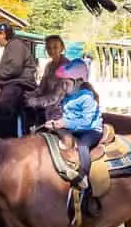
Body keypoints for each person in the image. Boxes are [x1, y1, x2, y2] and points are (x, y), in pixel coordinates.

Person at [44, 58, 103, 190]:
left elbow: (87, 122)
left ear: (79, 82)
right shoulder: (68, 97)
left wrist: (64, 123)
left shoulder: (87, 98)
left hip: (91, 130)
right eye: (62, 84)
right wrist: (56, 122)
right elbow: (67, 115)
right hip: (74, 128)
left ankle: (83, 176)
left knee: (82, 146)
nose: (63, 87)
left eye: (66, 84)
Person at [0, 23, 38, 113]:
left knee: (2, 106)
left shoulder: (15, 45)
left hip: (19, 82)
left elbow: (15, 68)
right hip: (11, 80)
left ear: (3, 34)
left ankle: (5, 125)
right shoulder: (10, 46)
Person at [27, 35, 69, 123]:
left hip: (63, 111)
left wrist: (35, 101)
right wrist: (28, 95)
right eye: (49, 48)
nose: (52, 50)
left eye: (55, 47)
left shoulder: (66, 67)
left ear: (61, 48)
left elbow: (56, 97)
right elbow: (41, 88)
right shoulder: (49, 66)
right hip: (48, 108)